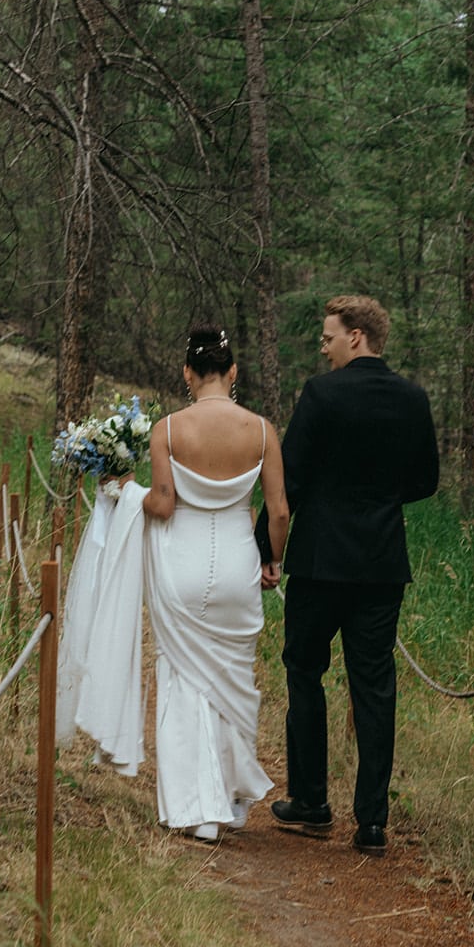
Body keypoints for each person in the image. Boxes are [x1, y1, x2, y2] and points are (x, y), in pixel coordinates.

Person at [267, 294, 438, 854]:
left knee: (304, 670)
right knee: (374, 686)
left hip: (319, 561)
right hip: (382, 562)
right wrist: (380, 499)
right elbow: (425, 482)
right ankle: (371, 822)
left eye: (328, 336)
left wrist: (266, 547)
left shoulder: (321, 393)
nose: (324, 346)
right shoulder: (413, 398)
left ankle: (312, 802)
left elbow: (286, 480)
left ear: (356, 337)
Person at [143, 324, 289, 841]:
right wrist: (272, 558)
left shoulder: (167, 429)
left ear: (187, 373)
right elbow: (279, 511)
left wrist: (125, 495)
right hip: (236, 566)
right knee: (233, 681)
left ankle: (197, 809)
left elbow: (162, 503)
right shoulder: (263, 431)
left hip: (181, 568)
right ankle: (231, 799)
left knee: (185, 683)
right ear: (233, 372)